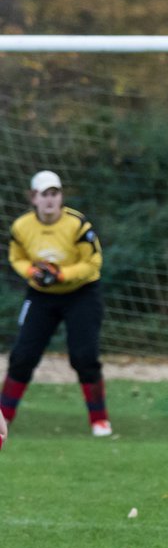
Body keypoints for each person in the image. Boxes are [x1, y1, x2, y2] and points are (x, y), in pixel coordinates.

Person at [4, 170, 111, 436]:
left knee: (84, 357)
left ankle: (99, 419)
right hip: (41, 296)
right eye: (45, 194)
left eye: (55, 193)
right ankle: (3, 417)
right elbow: (16, 258)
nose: (51, 200)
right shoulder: (21, 227)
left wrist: (61, 275)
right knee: (22, 356)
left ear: (61, 196)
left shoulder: (77, 224)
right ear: (33, 198)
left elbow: (93, 262)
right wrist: (33, 273)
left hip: (81, 293)